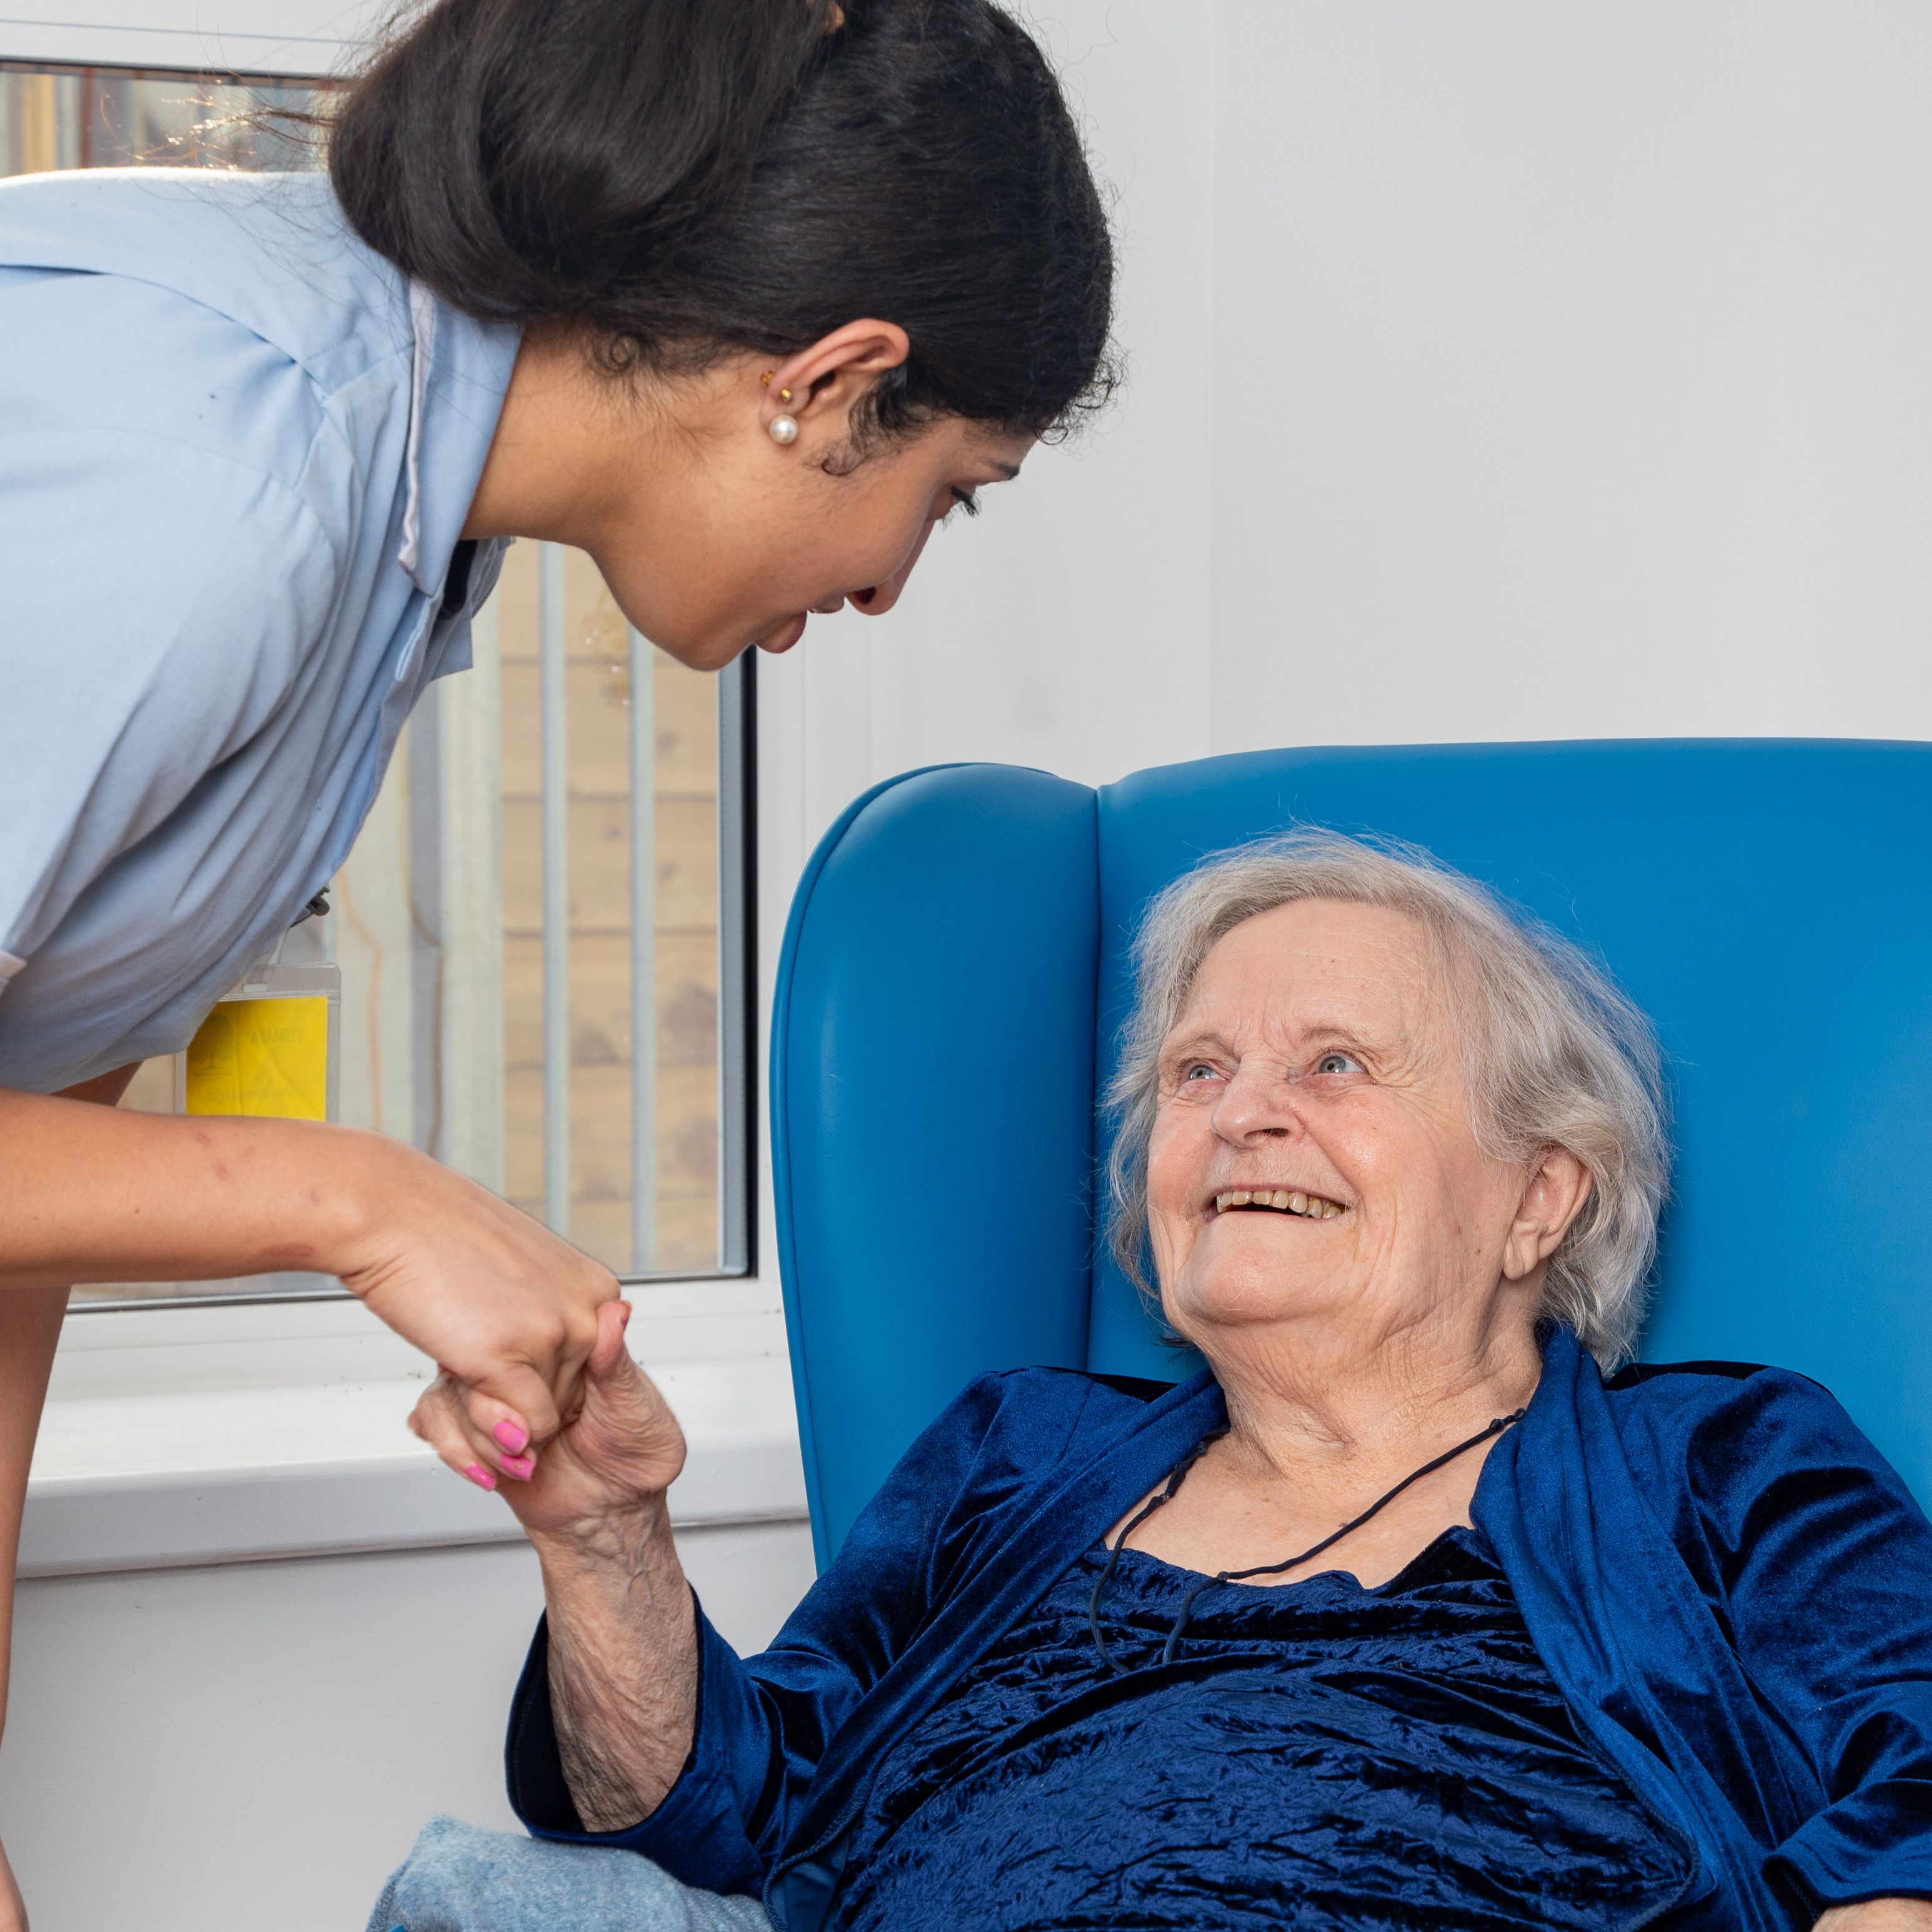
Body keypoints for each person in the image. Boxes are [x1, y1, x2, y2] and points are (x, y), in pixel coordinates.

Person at [0, 0, 1115, 1921]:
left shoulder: (392, 537)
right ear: (832, 380)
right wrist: (348, 1197)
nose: (883, 589)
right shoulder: (210, 481)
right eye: (940, 493)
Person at [385, 830, 1932, 1931]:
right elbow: (732, 1805)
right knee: (481, 1895)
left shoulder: (1721, 1458)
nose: (1240, 1113)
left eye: (1332, 1063)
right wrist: (600, 1538)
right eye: (1197, 1070)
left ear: (1540, 1196)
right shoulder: (1022, 1448)